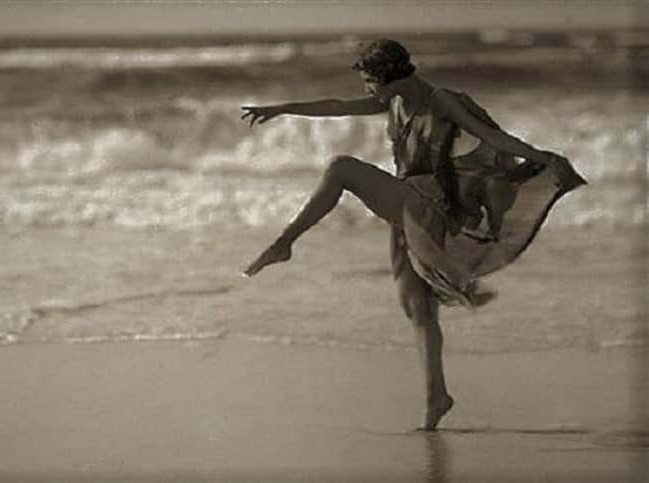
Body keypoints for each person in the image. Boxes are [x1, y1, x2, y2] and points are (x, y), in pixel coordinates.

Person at [240, 39, 586, 430]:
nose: (367, 89)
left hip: (431, 205)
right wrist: (283, 108)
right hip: (407, 206)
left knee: (341, 168)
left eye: (370, 81)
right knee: (417, 307)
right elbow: (336, 105)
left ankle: (284, 243)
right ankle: (437, 397)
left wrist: (544, 158)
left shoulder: (441, 101)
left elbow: (493, 138)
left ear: (389, 77)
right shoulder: (391, 101)